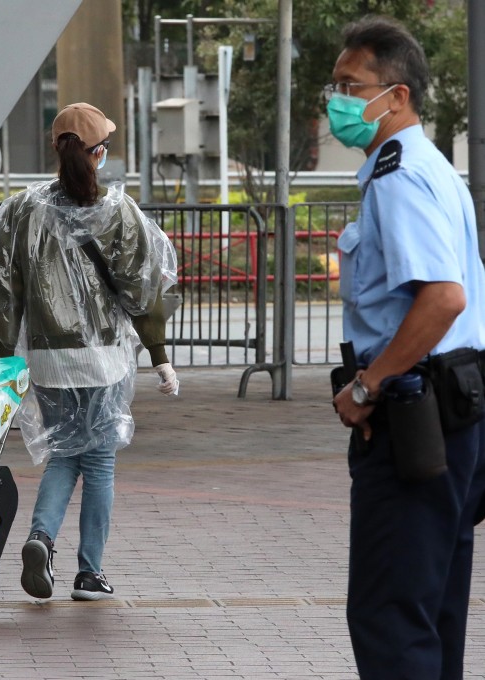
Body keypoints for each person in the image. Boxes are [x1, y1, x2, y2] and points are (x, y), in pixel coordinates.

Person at [0, 103, 179, 601]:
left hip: (47, 361)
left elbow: (2, 287)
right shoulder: (118, 210)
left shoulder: (21, 209)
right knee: (98, 466)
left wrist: (5, 356)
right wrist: (159, 355)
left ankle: (41, 538)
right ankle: (89, 573)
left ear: (57, 148)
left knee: (62, 456)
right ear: (100, 152)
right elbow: (142, 288)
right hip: (103, 359)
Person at [328, 16, 485, 679]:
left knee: (391, 615)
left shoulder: (398, 177)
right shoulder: (434, 168)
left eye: (350, 86)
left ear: (397, 96)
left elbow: (443, 298)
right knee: (431, 610)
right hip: (453, 408)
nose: (337, 100)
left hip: (413, 414)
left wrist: (368, 385)